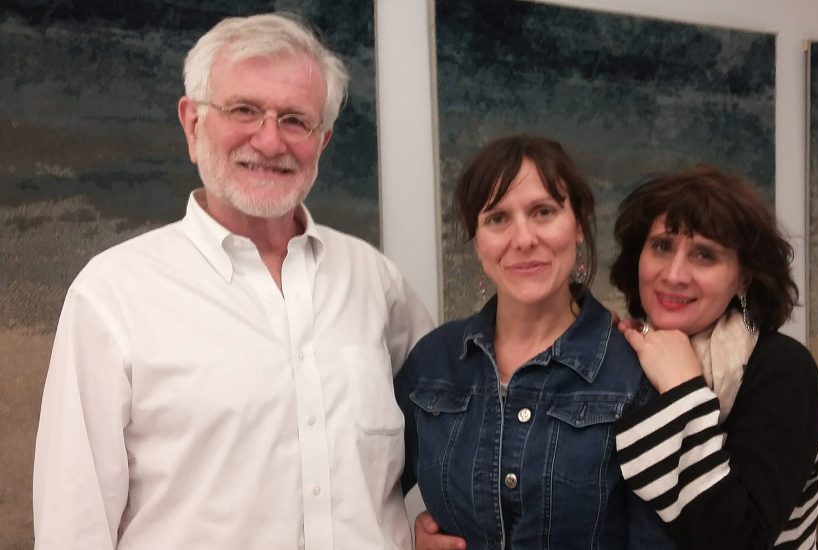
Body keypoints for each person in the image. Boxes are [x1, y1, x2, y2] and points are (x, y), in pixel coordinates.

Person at [33, 13, 433, 550]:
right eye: (244, 110)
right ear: (193, 123)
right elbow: (73, 525)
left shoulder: (376, 283)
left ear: (324, 139)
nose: (270, 141)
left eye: (295, 119)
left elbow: (447, 434)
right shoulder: (112, 294)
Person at [395, 135, 674, 549]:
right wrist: (406, 541)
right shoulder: (434, 362)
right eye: (497, 219)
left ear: (579, 224)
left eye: (543, 212)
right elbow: (358, 502)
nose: (523, 239)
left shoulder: (633, 372)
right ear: (477, 240)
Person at [609, 165, 818, 549]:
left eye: (704, 255)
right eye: (662, 246)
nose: (675, 274)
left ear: (743, 278)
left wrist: (683, 390)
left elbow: (738, 541)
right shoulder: (617, 353)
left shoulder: (783, 371)